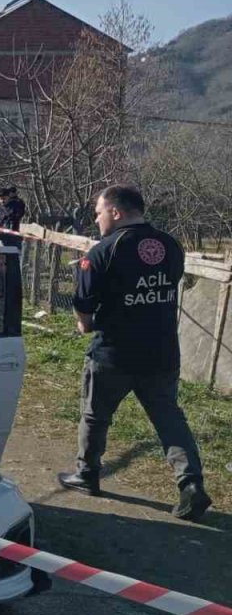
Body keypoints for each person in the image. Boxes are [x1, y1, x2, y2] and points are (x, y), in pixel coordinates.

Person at [57, 185, 209, 521]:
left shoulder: (102, 252)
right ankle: (191, 485)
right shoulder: (170, 246)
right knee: (169, 419)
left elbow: (83, 311)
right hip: (162, 352)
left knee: (95, 415)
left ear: (115, 211)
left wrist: (87, 324)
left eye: (98, 212)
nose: (96, 219)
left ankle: (87, 473)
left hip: (114, 354)